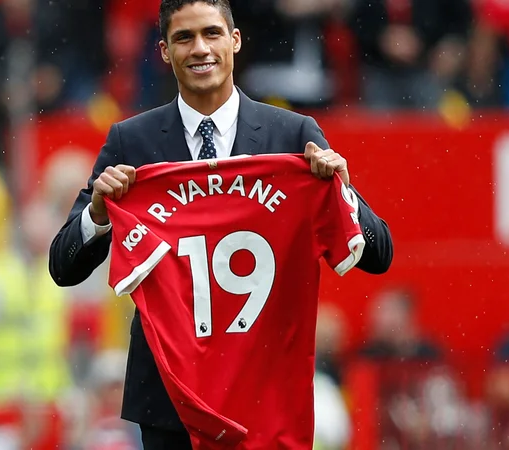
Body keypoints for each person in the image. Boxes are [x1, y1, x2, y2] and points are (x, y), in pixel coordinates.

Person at [49, 0, 393, 447]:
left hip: (264, 393)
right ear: (165, 51)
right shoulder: (132, 141)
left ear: (234, 40)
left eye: (211, 33)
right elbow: (63, 265)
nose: (200, 48)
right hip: (169, 399)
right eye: (184, 38)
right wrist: (97, 214)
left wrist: (342, 193)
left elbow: (379, 253)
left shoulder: (291, 136)